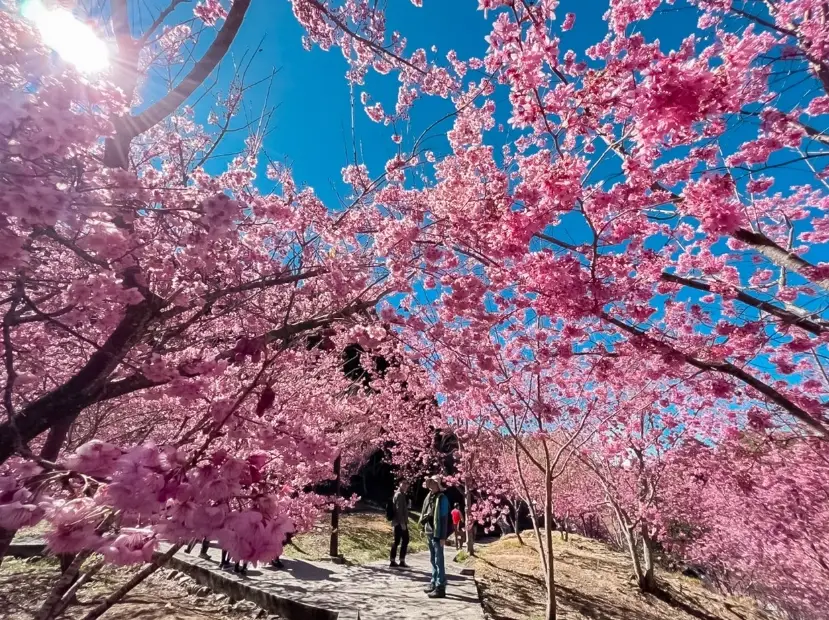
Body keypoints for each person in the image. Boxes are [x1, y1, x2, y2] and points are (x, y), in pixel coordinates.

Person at [419, 475, 450, 599]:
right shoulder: (429, 497)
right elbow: (424, 513)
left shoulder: (442, 499)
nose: (431, 485)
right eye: (430, 483)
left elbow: (443, 519)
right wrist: (422, 528)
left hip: (437, 534)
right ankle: (433, 581)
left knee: (439, 559)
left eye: (434, 483)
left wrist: (443, 536)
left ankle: (440, 586)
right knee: (433, 558)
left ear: (438, 485)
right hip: (429, 531)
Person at [389, 480, 410, 568]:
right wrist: (402, 523)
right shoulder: (399, 495)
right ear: (399, 484)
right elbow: (399, 510)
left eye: (407, 484)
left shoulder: (401, 495)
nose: (405, 486)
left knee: (397, 541)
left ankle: (394, 560)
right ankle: (399, 560)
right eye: (403, 483)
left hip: (398, 522)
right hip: (399, 522)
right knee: (404, 540)